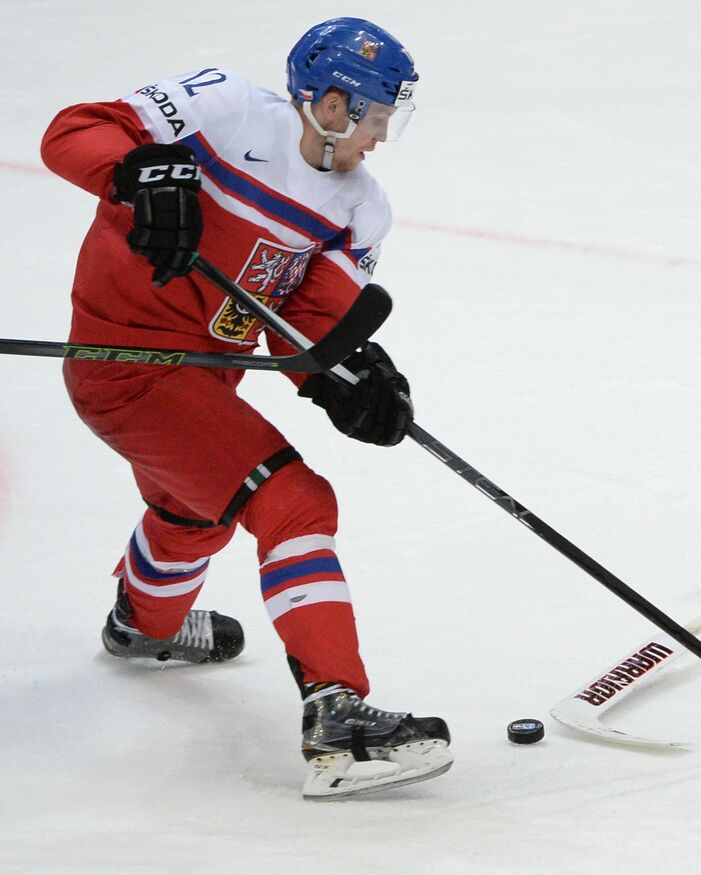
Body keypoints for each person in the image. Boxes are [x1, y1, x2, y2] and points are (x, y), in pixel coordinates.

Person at [40, 18, 451, 799]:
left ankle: (142, 624)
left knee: (197, 509)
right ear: (330, 106)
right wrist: (138, 173)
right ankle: (338, 714)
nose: (383, 136)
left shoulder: (359, 208)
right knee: (294, 501)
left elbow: (306, 323)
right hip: (125, 366)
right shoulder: (223, 108)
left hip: (203, 379)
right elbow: (73, 131)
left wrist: (351, 379)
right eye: (375, 117)